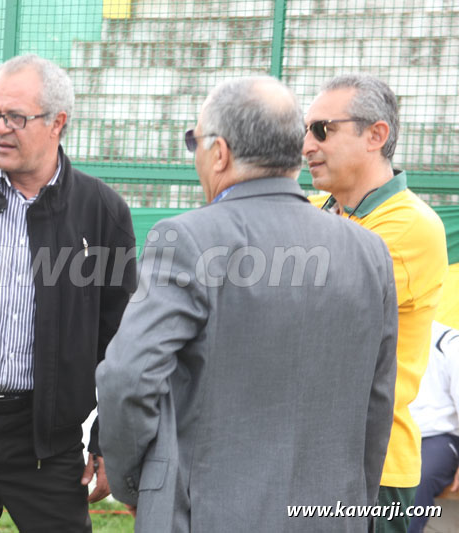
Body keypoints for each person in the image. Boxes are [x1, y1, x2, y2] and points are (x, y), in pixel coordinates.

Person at [96, 76, 398, 531]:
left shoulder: (188, 240)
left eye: (194, 140)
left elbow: (128, 376)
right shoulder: (370, 251)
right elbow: (376, 406)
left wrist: (138, 484)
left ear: (219, 152)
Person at [0, 54, 137, 532]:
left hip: (46, 445)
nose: (0, 128)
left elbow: (120, 340)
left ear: (58, 123)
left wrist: (107, 441)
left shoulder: (101, 212)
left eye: (16, 117)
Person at [304, 74, 448, 533]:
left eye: (323, 130)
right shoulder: (317, 207)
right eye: (304, 131)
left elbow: (307, 309)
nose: (307, 145)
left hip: (373, 469)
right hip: (309, 457)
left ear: (377, 135)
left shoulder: (413, 225)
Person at [408, 322, 459, 533]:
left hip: (438, 437)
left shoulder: (448, 342)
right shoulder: (379, 335)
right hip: (392, 436)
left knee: (416, 478)